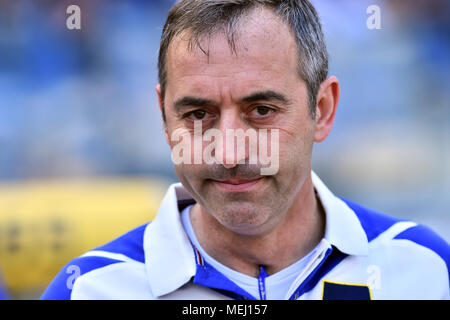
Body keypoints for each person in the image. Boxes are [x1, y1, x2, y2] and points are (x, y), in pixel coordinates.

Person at [41, 0, 449, 300]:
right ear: (165, 119)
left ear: (322, 110)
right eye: (198, 113)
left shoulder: (426, 269)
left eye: (262, 110)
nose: (230, 152)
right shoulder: (91, 289)